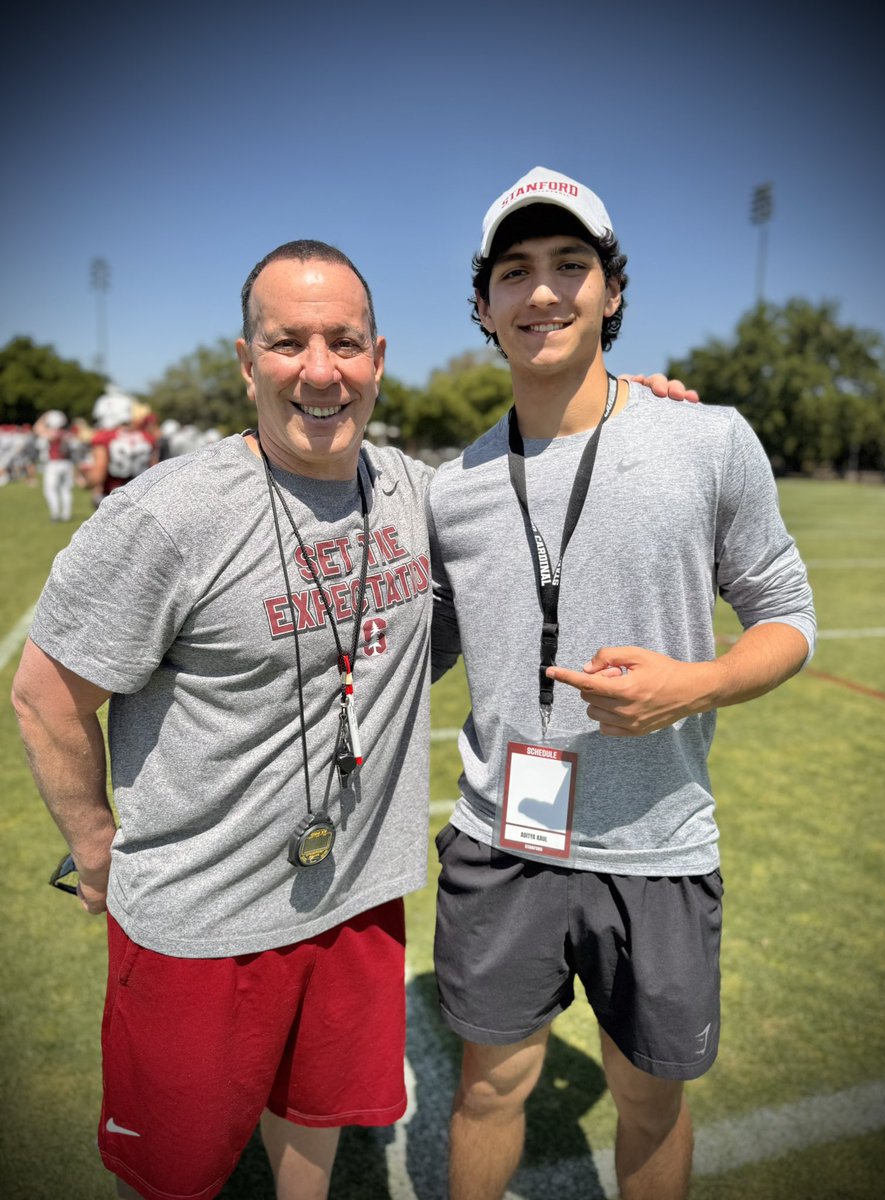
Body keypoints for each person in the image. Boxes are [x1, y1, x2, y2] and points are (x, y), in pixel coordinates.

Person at [11, 240, 435, 1200]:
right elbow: (44, 693)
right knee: (175, 1175)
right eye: (288, 342)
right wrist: (96, 849)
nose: (320, 371)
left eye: (345, 342)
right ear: (247, 362)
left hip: (357, 896)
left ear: (378, 357)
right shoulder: (168, 515)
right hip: (200, 928)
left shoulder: (412, 491)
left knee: (312, 1144)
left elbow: (531, 474)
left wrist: (625, 407)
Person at [426, 166, 816, 1200]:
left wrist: (698, 685)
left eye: (569, 266)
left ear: (609, 289)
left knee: (649, 1102)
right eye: (514, 272)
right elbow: (418, 650)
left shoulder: (708, 441)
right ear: (483, 304)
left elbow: (791, 621)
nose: (541, 292)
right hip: (503, 841)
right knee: (486, 1092)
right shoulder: (450, 488)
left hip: (659, 845)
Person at [34, 410, 79, 521]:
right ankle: (66, 514)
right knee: (65, 490)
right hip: (67, 464)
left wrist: (44, 416)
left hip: (54, 464)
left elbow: (36, 429)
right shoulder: (68, 434)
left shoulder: (51, 433)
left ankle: (55, 513)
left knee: (50, 490)